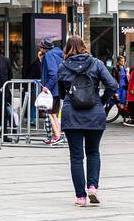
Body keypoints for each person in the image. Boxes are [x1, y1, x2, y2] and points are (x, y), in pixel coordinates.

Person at [57, 36, 118, 206]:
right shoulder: (96, 63)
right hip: (94, 113)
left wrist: (70, 98)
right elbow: (112, 85)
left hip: (72, 115)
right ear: (84, 47)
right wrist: (101, 100)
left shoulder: (63, 66)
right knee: (93, 152)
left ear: (67, 49)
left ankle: (81, 197)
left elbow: (61, 92)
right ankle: (92, 186)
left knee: (76, 157)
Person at [39, 39, 65, 146]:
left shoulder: (49, 55)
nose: (39, 49)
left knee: (51, 114)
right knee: (54, 113)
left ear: (44, 48)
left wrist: (46, 87)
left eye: (41, 47)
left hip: (52, 90)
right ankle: (58, 135)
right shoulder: (58, 53)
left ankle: (57, 136)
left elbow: (53, 73)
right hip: (59, 88)